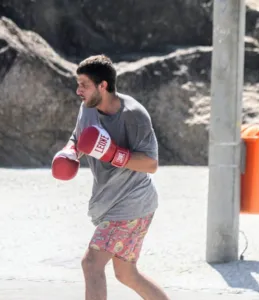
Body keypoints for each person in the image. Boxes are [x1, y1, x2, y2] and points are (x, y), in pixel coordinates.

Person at [51, 54, 170, 300]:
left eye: (83, 84)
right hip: (109, 202)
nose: (78, 90)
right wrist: (69, 152)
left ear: (102, 86)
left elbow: (151, 163)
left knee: (91, 264)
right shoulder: (87, 108)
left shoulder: (134, 115)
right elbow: (78, 137)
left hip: (132, 204)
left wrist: (114, 154)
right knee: (127, 274)